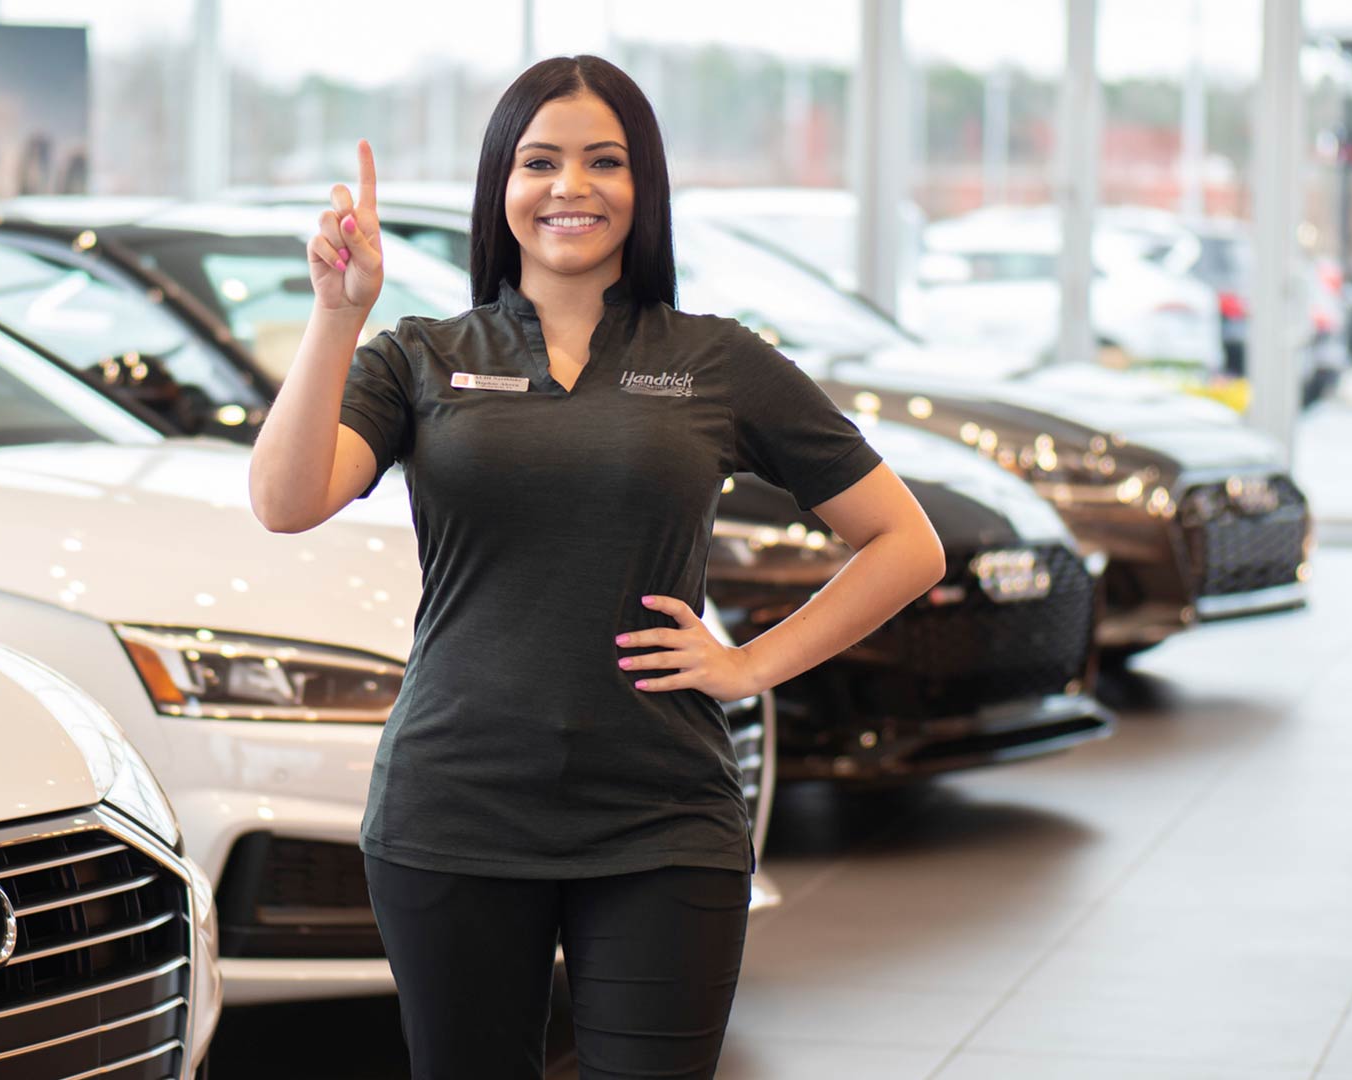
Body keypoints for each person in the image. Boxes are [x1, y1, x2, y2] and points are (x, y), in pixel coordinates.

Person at [248, 54, 946, 1080]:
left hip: (662, 815)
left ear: (643, 187)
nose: (570, 187)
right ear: (501, 188)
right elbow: (284, 500)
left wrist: (752, 666)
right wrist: (338, 312)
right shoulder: (420, 355)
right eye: (540, 162)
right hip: (455, 808)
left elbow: (906, 544)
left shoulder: (718, 360)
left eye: (603, 162)